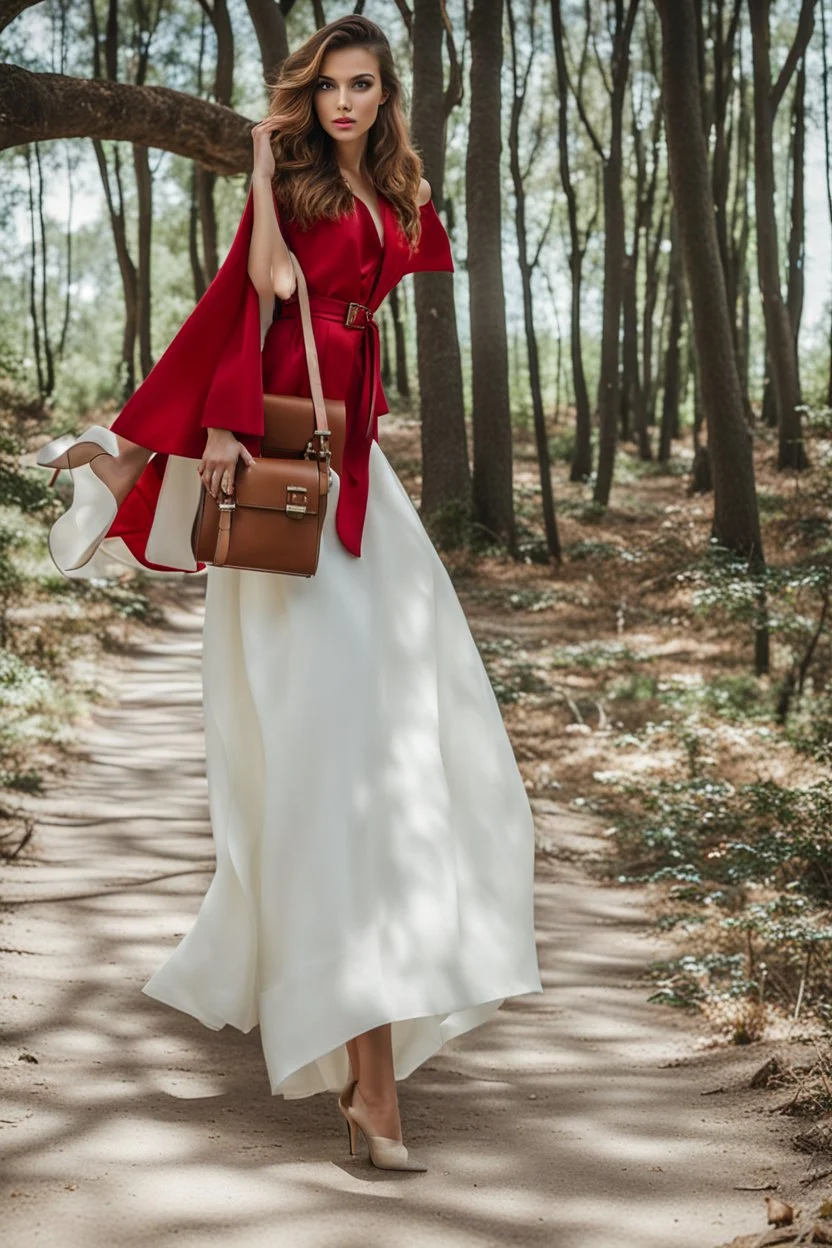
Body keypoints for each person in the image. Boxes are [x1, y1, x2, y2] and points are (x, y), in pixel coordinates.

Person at [35, 15, 543, 1171]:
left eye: (362, 86)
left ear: (386, 94)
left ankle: (369, 1066)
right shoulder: (302, 188)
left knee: (417, 759)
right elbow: (254, 292)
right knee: (337, 780)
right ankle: (370, 1084)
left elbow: (368, 307)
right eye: (327, 88)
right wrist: (262, 175)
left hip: (364, 486)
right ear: (306, 98)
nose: (344, 104)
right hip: (293, 485)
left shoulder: (399, 194)